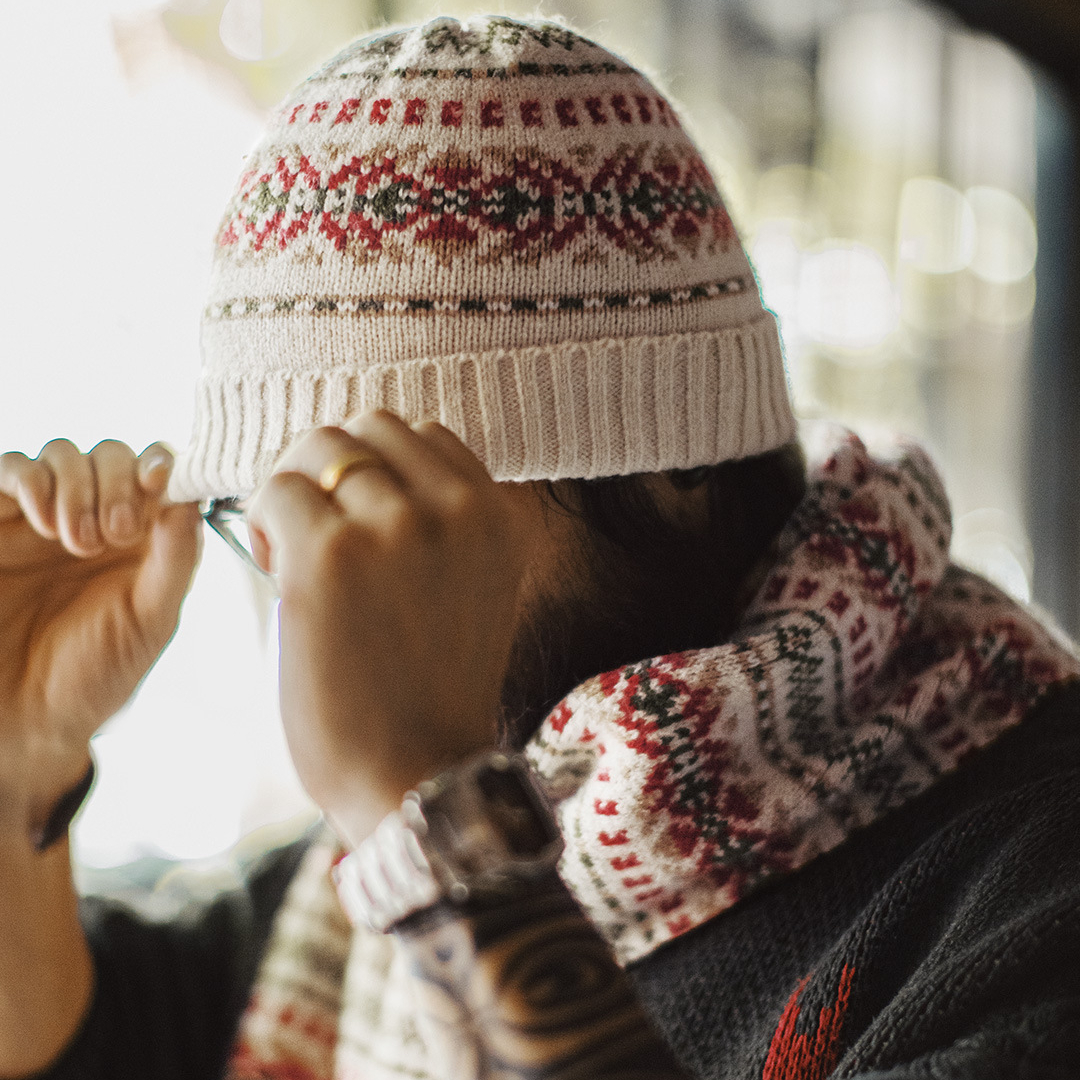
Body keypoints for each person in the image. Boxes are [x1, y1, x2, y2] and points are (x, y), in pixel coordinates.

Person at [2, 14, 1079, 1080]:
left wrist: (436, 825)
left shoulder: (1024, 884)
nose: (319, 582)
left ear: (673, 460)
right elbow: (83, 1048)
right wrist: (20, 764)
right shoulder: (350, 897)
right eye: (268, 519)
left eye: (378, 501)